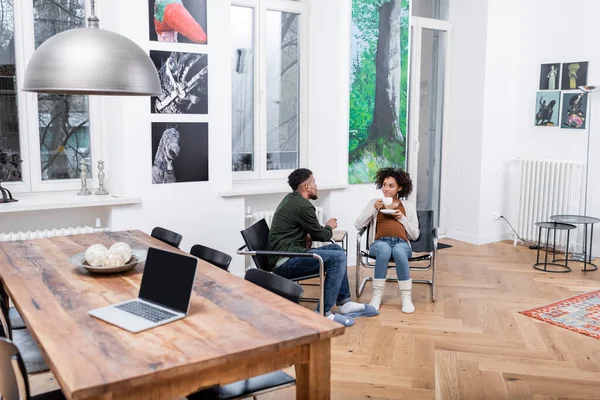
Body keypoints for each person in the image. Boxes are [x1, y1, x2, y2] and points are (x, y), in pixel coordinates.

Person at [268, 168, 378, 326]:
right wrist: (329, 226)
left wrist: (305, 236)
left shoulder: (291, 199)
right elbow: (323, 235)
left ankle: (344, 302)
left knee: (337, 251)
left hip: (288, 255)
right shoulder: (304, 206)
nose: (316, 186)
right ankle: (323, 313)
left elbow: (293, 230)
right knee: (338, 257)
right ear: (307, 187)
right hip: (286, 263)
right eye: (314, 182)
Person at [354, 168, 420, 313]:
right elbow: (358, 225)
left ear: (399, 188)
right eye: (384, 184)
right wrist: (373, 208)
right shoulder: (375, 203)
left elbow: (415, 235)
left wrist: (401, 218)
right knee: (384, 249)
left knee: (398, 250)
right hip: (379, 243)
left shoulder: (407, 206)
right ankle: (376, 296)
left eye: (391, 186)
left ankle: (406, 298)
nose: (386, 189)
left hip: (402, 243)